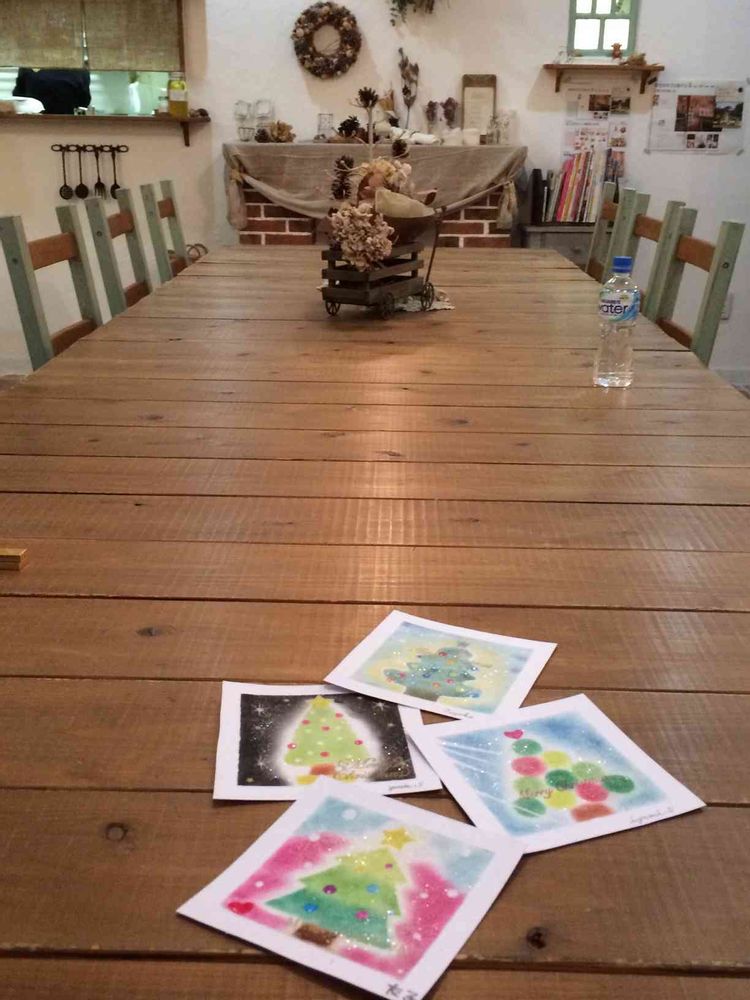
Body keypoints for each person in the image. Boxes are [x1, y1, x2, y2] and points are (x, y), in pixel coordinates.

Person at [13, 68, 91, 115]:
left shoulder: (28, 66)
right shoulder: (80, 69)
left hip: (32, 124)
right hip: (67, 124)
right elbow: (84, 102)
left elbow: (18, 96)